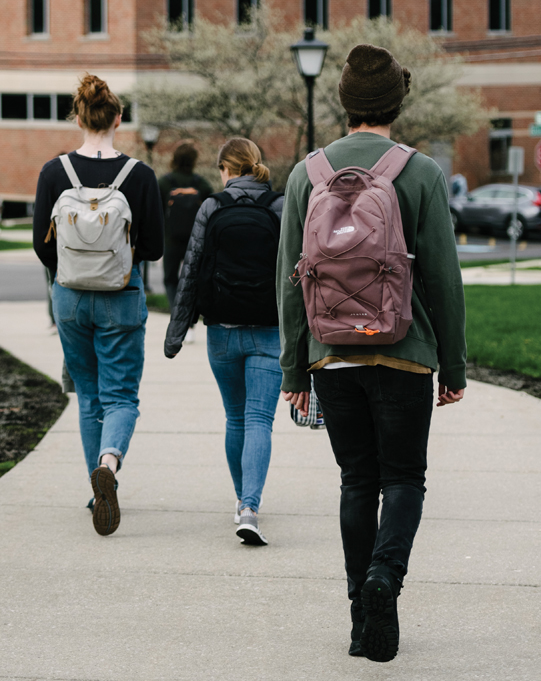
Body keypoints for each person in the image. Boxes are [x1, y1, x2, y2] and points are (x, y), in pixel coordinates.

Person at [276, 44, 466, 662]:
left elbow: (289, 276)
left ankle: (362, 610)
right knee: (404, 476)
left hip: (333, 354)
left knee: (356, 479)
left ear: (344, 101)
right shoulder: (422, 173)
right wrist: (454, 365)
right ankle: (387, 577)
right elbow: (442, 278)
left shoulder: (307, 173)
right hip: (405, 351)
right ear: (397, 100)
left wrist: (295, 366)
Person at [33, 74, 164, 536]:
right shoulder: (140, 176)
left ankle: (96, 490)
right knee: (121, 395)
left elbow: (41, 246)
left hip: (68, 300)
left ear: (78, 116)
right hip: (120, 298)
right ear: (118, 119)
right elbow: (154, 246)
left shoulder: (54, 173)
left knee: (88, 395)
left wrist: (72, 270)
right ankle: (109, 463)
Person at [165, 137, 283, 546]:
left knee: (236, 419)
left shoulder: (212, 206)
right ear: (256, 166)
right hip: (269, 329)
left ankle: (240, 502)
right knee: (259, 420)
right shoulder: (279, 206)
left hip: (222, 330)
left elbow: (192, 268)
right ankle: (250, 507)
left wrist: (176, 334)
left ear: (225, 170)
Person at [159, 140, 213, 309]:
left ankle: (175, 312)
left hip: (171, 240)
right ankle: (190, 317)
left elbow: (158, 212)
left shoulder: (164, 183)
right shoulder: (201, 184)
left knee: (170, 279)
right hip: (195, 239)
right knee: (193, 279)